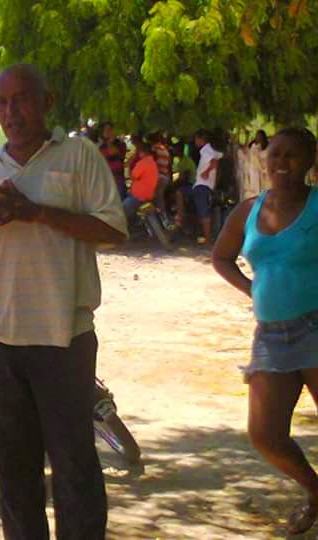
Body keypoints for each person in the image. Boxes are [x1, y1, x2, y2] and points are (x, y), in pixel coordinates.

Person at [0, 63, 127, 540]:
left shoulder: (78, 155)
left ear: (47, 103)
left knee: (75, 467)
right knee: (14, 471)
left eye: (22, 99)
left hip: (63, 337)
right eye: (2, 103)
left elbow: (113, 231)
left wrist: (37, 213)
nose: (11, 112)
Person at [212, 127, 318, 536]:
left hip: (315, 327)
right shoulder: (249, 211)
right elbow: (221, 257)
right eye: (275, 154)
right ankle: (316, 491)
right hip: (271, 336)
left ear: (310, 160)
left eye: (292, 155)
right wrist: (253, 289)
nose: (281, 163)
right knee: (265, 434)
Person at [176, 129, 223, 244]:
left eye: (196, 139)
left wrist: (206, 172)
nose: (195, 141)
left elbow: (214, 162)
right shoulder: (210, 151)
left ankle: (208, 240)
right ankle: (180, 218)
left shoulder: (207, 150)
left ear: (201, 139)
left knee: (203, 212)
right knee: (180, 193)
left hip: (202, 186)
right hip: (201, 185)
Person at [124, 140, 159, 220]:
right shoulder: (152, 162)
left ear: (142, 152)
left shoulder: (143, 163)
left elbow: (132, 177)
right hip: (148, 194)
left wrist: (128, 165)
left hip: (139, 195)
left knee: (123, 211)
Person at [98, 121, 127, 199]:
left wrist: (110, 143)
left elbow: (114, 153)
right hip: (106, 180)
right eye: (105, 130)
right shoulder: (101, 147)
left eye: (109, 129)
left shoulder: (121, 144)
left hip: (118, 180)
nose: (107, 132)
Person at [148, 132, 171, 218]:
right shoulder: (164, 149)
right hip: (165, 176)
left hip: (158, 176)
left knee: (153, 198)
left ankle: (156, 217)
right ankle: (163, 216)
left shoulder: (154, 149)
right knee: (160, 198)